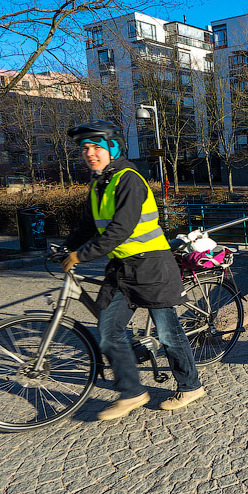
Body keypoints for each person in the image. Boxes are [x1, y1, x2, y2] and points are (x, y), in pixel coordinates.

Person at [61, 120, 204, 421]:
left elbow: (120, 229)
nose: (90, 153)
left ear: (112, 148)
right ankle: (132, 392)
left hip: (152, 265)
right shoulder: (100, 183)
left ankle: (190, 386)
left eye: (97, 147)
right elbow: (88, 224)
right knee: (108, 329)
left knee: (167, 331)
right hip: (122, 269)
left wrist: (80, 255)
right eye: (85, 148)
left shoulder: (129, 179)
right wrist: (65, 247)